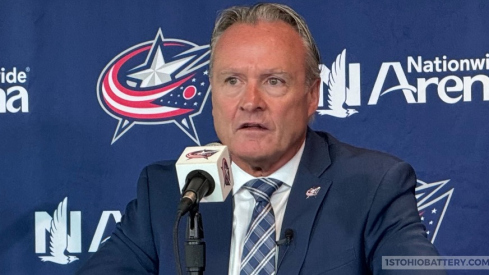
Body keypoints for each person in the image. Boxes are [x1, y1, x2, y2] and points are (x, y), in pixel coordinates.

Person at [78, 3, 444, 274]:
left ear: (312, 95)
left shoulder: (372, 186)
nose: (250, 102)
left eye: (274, 81)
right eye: (232, 81)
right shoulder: (168, 192)